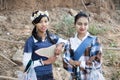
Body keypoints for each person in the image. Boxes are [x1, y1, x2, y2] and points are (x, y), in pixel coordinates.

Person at [23, 10, 66, 80]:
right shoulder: (31, 41)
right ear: (35, 24)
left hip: (49, 74)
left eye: (46, 21)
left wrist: (61, 44)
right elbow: (26, 64)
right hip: (35, 76)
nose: (44, 24)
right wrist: (45, 62)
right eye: (40, 22)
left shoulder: (51, 37)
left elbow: (66, 42)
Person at [63, 11, 104, 80]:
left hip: (93, 77)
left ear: (88, 25)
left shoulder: (94, 41)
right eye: (79, 24)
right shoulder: (70, 42)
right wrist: (87, 64)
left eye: (85, 24)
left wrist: (78, 63)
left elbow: (97, 63)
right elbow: (65, 63)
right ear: (74, 24)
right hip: (76, 77)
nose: (82, 27)